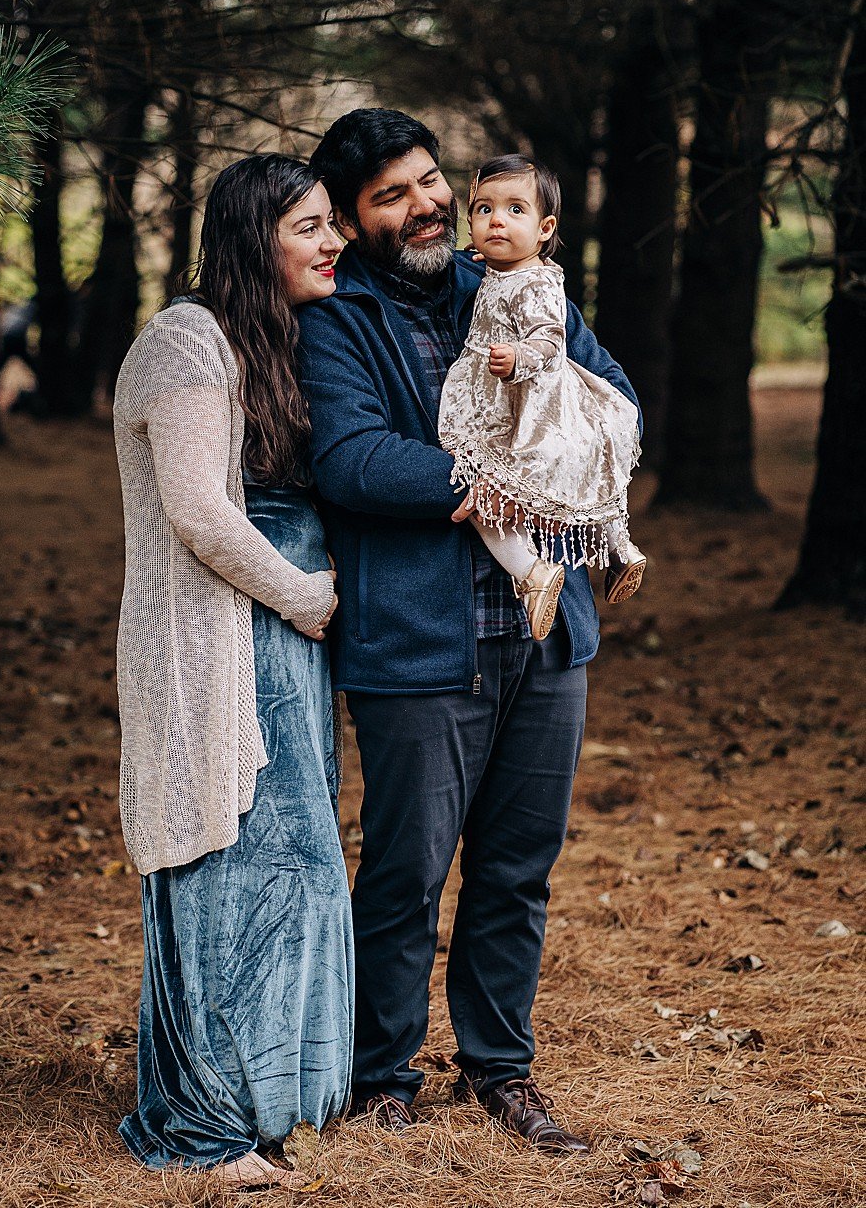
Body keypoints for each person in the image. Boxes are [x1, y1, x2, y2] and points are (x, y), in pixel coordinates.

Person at [298, 108, 641, 1155]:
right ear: (355, 223)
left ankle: (502, 1071)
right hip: (418, 642)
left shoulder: (516, 280)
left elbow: (613, 397)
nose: (428, 205)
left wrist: (553, 434)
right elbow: (352, 460)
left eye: (429, 181)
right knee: (406, 870)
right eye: (390, 195)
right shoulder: (335, 317)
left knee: (516, 868)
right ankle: (382, 1077)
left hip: (546, 634)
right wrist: (499, 476)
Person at [112, 155, 352, 1187]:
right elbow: (200, 512)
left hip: (279, 652)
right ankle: (206, 1125)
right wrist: (300, 595)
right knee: (222, 868)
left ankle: (274, 1096)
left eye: (332, 220)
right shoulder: (183, 340)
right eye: (308, 225)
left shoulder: (277, 341)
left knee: (292, 868)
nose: (332, 239)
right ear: (258, 239)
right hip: (213, 647)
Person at [439, 153, 646, 642]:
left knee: (488, 491)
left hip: (520, 399)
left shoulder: (534, 282)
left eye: (515, 210)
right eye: (484, 210)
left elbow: (551, 337)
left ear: (545, 226)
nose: (497, 221)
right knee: (582, 477)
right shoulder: (510, 269)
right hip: (536, 395)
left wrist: (520, 357)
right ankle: (620, 548)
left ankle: (532, 573)